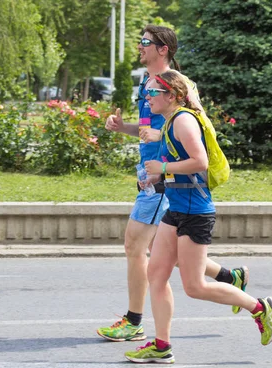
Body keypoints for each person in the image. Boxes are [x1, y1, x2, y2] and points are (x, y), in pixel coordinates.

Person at [97, 25, 249, 342]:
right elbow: (147, 129)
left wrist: (161, 167)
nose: (139, 46)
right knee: (163, 252)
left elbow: (196, 126)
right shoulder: (148, 83)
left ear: (162, 48)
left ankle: (134, 321)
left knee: (135, 247)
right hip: (152, 172)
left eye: (144, 42)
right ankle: (229, 276)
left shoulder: (179, 86)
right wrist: (123, 127)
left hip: (165, 178)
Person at [124, 70, 272, 364]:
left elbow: (199, 162)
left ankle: (259, 307)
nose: (147, 96)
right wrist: (156, 180)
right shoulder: (171, 120)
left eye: (153, 92)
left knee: (195, 287)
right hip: (177, 209)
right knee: (156, 274)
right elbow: (182, 173)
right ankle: (161, 345)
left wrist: (163, 167)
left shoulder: (182, 120)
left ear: (171, 95)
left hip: (196, 213)